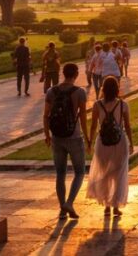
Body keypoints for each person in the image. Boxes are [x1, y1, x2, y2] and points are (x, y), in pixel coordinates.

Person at [43, 63, 89, 220]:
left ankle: (62, 209)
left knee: (60, 173)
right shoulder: (79, 92)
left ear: (63, 73)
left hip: (56, 137)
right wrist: (88, 137)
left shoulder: (51, 91)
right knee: (80, 172)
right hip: (74, 136)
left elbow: (45, 115)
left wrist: (47, 135)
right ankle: (69, 203)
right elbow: (82, 117)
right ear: (75, 74)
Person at [87, 75, 132, 217]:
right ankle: (115, 206)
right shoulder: (123, 105)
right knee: (119, 175)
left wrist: (89, 141)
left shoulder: (97, 105)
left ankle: (106, 205)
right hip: (120, 143)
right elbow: (128, 126)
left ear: (104, 89)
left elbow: (94, 126)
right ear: (117, 89)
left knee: (105, 174)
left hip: (103, 143)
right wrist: (131, 142)